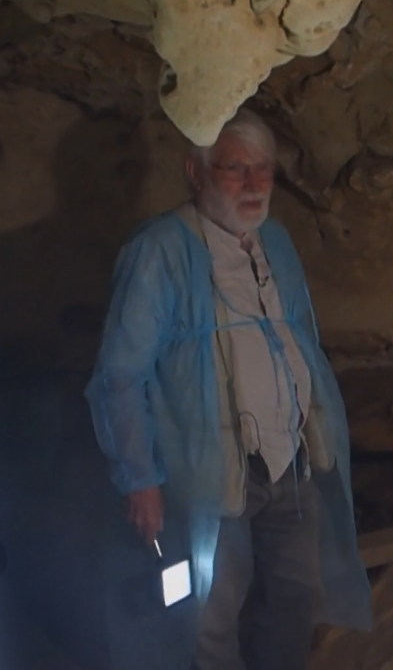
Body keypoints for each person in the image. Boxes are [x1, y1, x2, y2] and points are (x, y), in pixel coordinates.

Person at [85, 108, 372, 670]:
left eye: (263, 169)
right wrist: (140, 479)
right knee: (209, 613)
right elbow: (119, 375)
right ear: (195, 172)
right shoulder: (160, 251)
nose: (254, 184)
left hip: (289, 462)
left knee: (295, 599)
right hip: (208, 471)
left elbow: (299, 339)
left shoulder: (275, 242)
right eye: (235, 169)